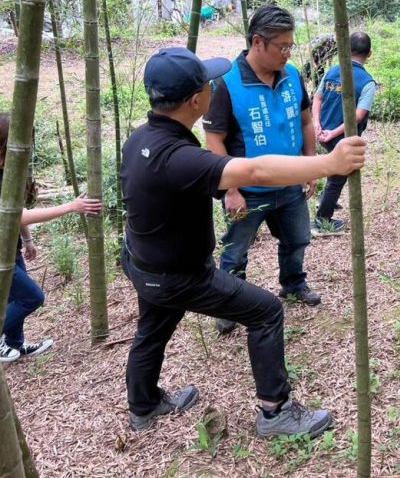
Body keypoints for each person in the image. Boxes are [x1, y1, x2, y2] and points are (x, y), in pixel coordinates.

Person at [121, 47, 365, 434]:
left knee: (151, 330)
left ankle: (144, 405)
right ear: (196, 100)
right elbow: (253, 169)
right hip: (178, 274)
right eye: (207, 83)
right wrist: (328, 164)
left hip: (143, 263)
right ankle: (276, 411)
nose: (212, 88)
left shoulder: (141, 138)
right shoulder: (177, 156)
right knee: (266, 312)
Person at [203, 4, 320, 339]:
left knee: (298, 238)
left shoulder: (293, 75)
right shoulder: (226, 83)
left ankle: (294, 284)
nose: (287, 52)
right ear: (258, 42)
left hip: (290, 183)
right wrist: (231, 189)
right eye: (281, 46)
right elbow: (214, 139)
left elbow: (306, 121)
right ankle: (229, 304)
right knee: (236, 250)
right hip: (249, 190)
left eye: (290, 46)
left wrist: (310, 164)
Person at [0, 113, 102, 362]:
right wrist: (71, 206)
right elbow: (19, 215)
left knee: (14, 296)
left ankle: (14, 344)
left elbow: (16, 211)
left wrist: (27, 240)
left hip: (9, 248)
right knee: (32, 297)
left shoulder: (10, 175)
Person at [311, 32, 376, 234]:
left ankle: (325, 202)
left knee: (333, 172)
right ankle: (322, 221)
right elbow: (357, 116)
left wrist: (317, 125)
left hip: (324, 132)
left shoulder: (333, 71)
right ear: (370, 54)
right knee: (338, 177)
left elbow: (317, 99)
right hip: (341, 137)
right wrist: (333, 134)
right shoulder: (367, 82)